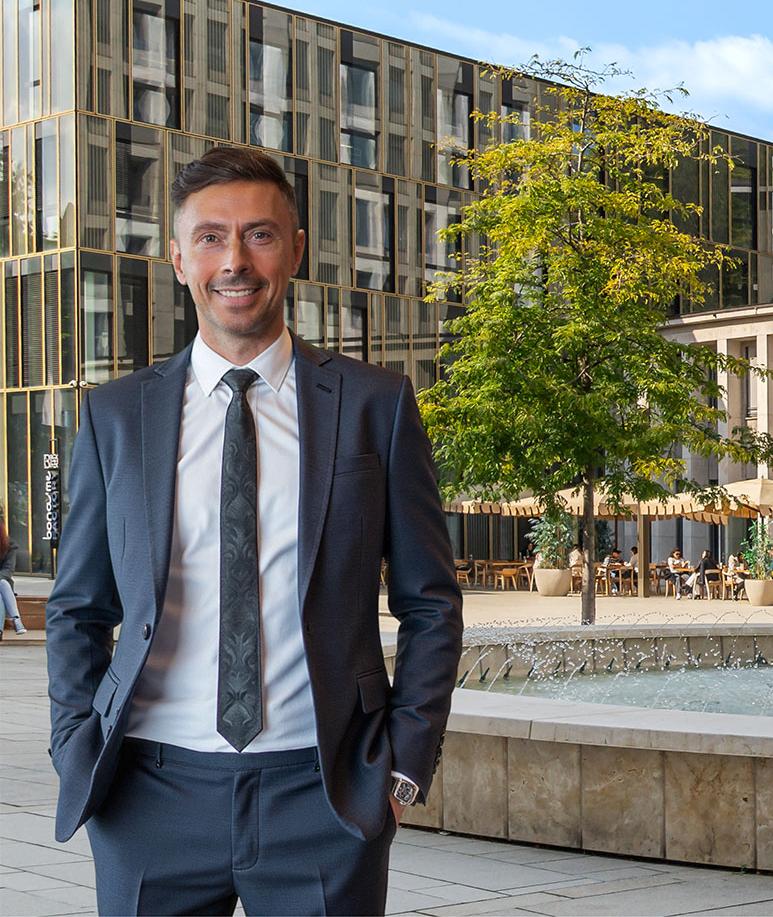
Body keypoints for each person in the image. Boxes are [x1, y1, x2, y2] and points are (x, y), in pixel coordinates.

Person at [44, 147, 463, 915]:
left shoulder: (376, 405)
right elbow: (79, 606)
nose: (234, 261)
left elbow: (431, 602)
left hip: (324, 796)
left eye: (259, 235)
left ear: (296, 248)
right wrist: (75, 742)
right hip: (148, 797)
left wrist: (400, 767)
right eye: (210, 238)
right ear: (178, 258)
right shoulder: (116, 416)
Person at [0, 525, 25, 638]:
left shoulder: (10, 545)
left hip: (3, 582)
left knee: (2, 584)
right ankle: (16, 620)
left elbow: (9, 569)